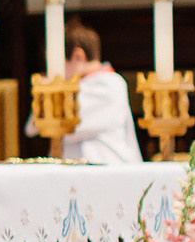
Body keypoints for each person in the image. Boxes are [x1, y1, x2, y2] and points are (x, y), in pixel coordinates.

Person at [57, 22, 141, 164]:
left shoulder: (109, 83)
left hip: (110, 169)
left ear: (78, 56)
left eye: (58, 63)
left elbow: (65, 125)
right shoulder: (80, 86)